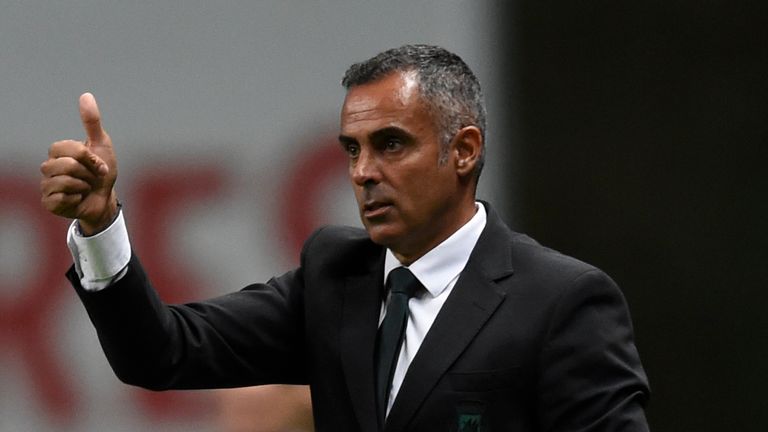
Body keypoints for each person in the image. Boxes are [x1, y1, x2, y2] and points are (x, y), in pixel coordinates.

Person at [40, 44, 650, 431]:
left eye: (390, 144)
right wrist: (101, 224)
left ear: (463, 151)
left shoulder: (562, 301)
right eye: (352, 149)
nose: (362, 172)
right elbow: (162, 351)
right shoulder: (336, 277)